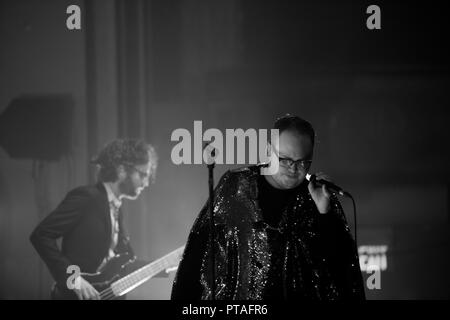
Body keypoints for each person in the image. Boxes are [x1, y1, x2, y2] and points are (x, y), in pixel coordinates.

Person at [171, 115, 365, 300]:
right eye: (284, 159)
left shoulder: (319, 197)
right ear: (267, 151)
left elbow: (343, 272)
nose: (293, 168)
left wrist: (325, 213)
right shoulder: (236, 187)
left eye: (302, 162)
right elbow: (196, 255)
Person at [30, 139, 157, 300]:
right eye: (142, 174)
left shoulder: (117, 208)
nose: (146, 182)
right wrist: (74, 280)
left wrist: (168, 264)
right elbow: (41, 235)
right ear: (122, 170)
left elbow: (125, 264)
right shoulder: (87, 197)